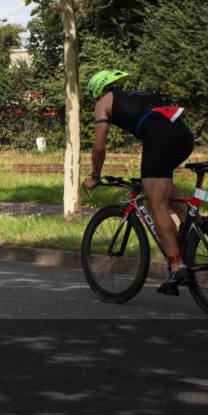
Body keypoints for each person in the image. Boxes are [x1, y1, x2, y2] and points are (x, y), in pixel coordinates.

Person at [82, 69, 195, 295]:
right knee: (159, 186)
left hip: (160, 137)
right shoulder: (137, 94)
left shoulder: (103, 102)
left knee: (156, 204)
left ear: (98, 90)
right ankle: (191, 228)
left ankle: (176, 265)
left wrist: (95, 176)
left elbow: (99, 147)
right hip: (183, 135)